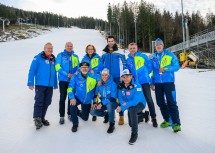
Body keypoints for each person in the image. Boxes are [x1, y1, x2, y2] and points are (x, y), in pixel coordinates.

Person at [150, 38, 181, 132]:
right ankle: (167, 120)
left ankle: (176, 123)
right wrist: (152, 82)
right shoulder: (153, 57)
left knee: (171, 102)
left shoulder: (170, 55)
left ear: (163, 46)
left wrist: (166, 69)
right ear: (155, 47)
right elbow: (152, 71)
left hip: (169, 82)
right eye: (157, 45)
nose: (158, 46)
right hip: (158, 83)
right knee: (160, 102)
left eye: (160, 45)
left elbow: (177, 67)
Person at [126, 43, 158, 127]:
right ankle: (142, 115)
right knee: (137, 99)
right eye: (131, 48)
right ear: (128, 49)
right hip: (135, 83)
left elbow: (150, 66)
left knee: (149, 99)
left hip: (144, 82)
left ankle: (154, 118)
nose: (132, 49)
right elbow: (128, 72)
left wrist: (145, 74)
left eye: (134, 48)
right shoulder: (128, 60)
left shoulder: (143, 56)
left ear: (137, 48)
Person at [27, 42, 58, 130]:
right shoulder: (38, 58)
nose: (50, 50)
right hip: (40, 84)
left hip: (50, 85)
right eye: (48, 48)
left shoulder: (53, 58)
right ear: (44, 49)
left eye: (51, 48)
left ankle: (42, 117)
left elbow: (54, 72)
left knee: (47, 102)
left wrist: (55, 83)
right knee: (39, 101)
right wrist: (30, 82)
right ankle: (37, 119)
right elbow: (32, 70)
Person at [67, 62, 100, 132]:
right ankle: (75, 124)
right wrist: (72, 98)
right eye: (82, 67)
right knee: (72, 104)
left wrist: (100, 80)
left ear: (89, 68)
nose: (84, 69)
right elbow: (70, 88)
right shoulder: (75, 76)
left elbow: (102, 77)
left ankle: (78, 112)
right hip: (78, 97)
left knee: (85, 118)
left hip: (87, 100)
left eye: (86, 67)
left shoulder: (93, 76)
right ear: (80, 68)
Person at [116, 69, 146, 145]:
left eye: (128, 76)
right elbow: (120, 97)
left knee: (132, 109)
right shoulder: (121, 85)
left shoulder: (137, 85)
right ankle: (144, 115)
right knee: (131, 124)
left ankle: (134, 133)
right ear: (122, 78)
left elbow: (135, 101)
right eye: (124, 77)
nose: (126, 79)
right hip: (128, 104)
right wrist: (123, 103)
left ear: (131, 76)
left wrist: (122, 108)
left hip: (140, 103)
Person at [102, 35, 127, 125]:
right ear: (107, 41)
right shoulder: (104, 52)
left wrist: (123, 75)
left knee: (119, 96)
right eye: (109, 41)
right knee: (107, 95)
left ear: (114, 41)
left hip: (117, 77)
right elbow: (101, 65)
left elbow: (124, 64)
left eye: (112, 41)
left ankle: (121, 116)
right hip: (108, 78)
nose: (110, 42)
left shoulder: (119, 51)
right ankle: (109, 114)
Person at [55, 42, 79, 124]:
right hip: (63, 80)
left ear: (73, 47)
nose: (69, 47)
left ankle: (70, 114)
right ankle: (62, 116)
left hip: (72, 81)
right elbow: (57, 66)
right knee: (62, 98)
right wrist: (66, 74)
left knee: (71, 98)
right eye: (68, 46)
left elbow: (78, 68)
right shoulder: (60, 55)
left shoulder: (75, 56)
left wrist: (75, 74)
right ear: (65, 47)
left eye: (71, 46)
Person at [90, 68, 118, 133]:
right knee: (92, 111)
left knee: (109, 105)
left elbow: (113, 98)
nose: (104, 77)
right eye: (103, 75)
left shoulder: (113, 84)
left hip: (113, 103)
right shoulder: (99, 84)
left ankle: (111, 124)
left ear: (108, 76)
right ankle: (106, 114)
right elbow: (95, 94)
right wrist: (94, 102)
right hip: (103, 103)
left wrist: (102, 103)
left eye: (106, 75)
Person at [81, 44, 103, 121]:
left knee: (95, 95)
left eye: (91, 49)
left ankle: (94, 112)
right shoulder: (84, 58)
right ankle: (87, 109)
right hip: (87, 79)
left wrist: (94, 70)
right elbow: (81, 67)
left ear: (94, 50)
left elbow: (101, 66)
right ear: (86, 50)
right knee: (88, 94)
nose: (90, 50)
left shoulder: (97, 57)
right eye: (89, 49)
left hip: (96, 79)